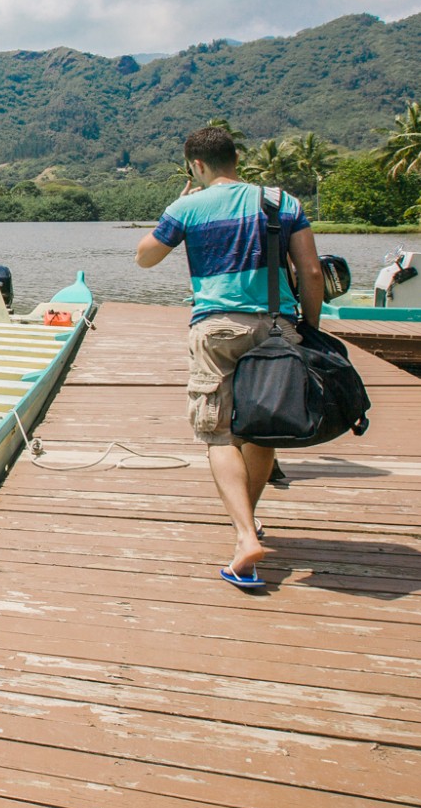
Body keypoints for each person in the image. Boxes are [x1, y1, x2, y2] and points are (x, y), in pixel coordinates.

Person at [135, 127, 324, 592]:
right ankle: (251, 523)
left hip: (216, 329)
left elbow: (145, 258)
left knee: (219, 434)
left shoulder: (187, 207)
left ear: (196, 167)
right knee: (262, 425)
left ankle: (243, 536)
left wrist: (179, 202)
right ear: (235, 159)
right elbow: (312, 272)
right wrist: (312, 331)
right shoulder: (281, 202)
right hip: (278, 327)